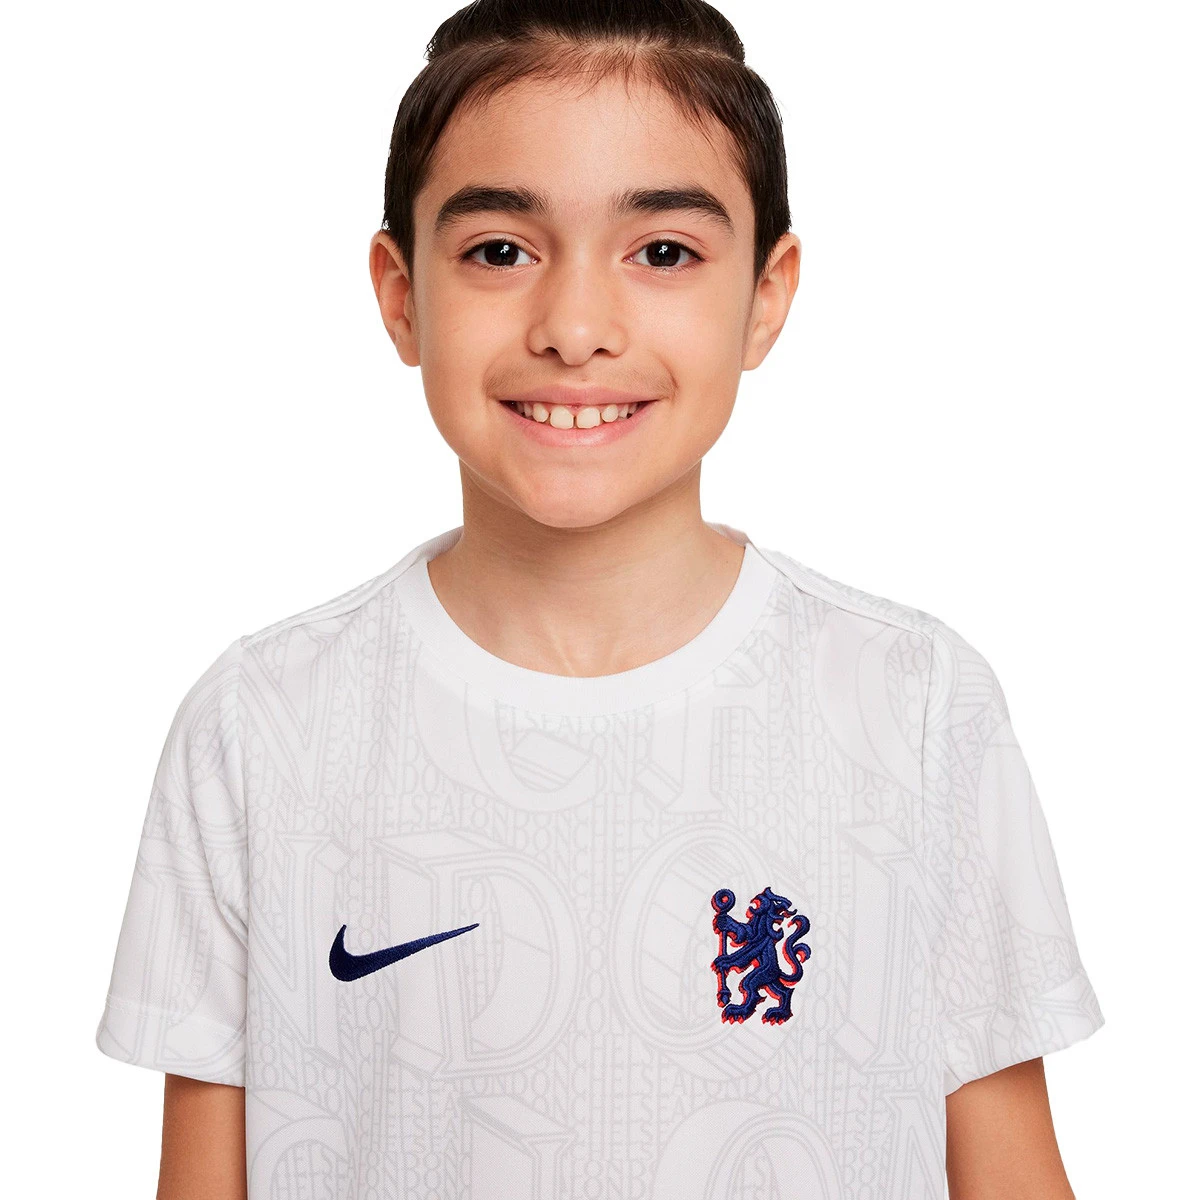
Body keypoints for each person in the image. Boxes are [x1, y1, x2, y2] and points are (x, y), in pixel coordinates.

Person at [94, 2, 1105, 1197]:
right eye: (500, 252)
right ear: (401, 294)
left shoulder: (913, 703)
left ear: (767, 294)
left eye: (663, 252)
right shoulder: (262, 725)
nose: (575, 329)